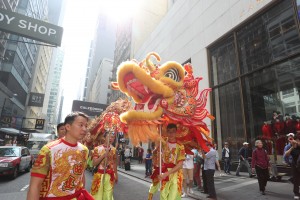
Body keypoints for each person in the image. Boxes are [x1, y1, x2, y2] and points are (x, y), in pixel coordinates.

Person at [27, 112, 93, 200]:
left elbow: (81, 176)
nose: (84, 129)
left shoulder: (84, 150)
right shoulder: (49, 150)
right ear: (68, 127)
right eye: (81, 125)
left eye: (86, 126)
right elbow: (35, 185)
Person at [158, 123, 185, 200]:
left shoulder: (180, 146)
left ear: (176, 132)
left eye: (173, 131)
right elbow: (158, 158)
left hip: (176, 175)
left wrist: (167, 173)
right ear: (166, 132)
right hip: (164, 173)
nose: (171, 134)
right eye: (169, 131)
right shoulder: (162, 143)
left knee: (173, 197)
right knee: (163, 196)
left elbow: (180, 165)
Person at [90, 131, 118, 199]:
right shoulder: (97, 149)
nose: (111, 138)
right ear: (104, 137)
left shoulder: (114, 150)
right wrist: (103, 155)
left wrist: (116, 174)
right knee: (97, 195)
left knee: (108, 195)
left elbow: (114, 163)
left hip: (110, 175)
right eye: (109, 136)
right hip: (99, 175)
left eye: (113, 137)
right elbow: (94, 163)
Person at [285, 135, 300, 200]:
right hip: (295, 165)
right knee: (296, 180)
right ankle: (296, 193)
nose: (296, 142)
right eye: (295, 140)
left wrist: (297, 143)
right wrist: (292, 147)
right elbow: (286, 154)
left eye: (298, 140)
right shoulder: (292, 147)